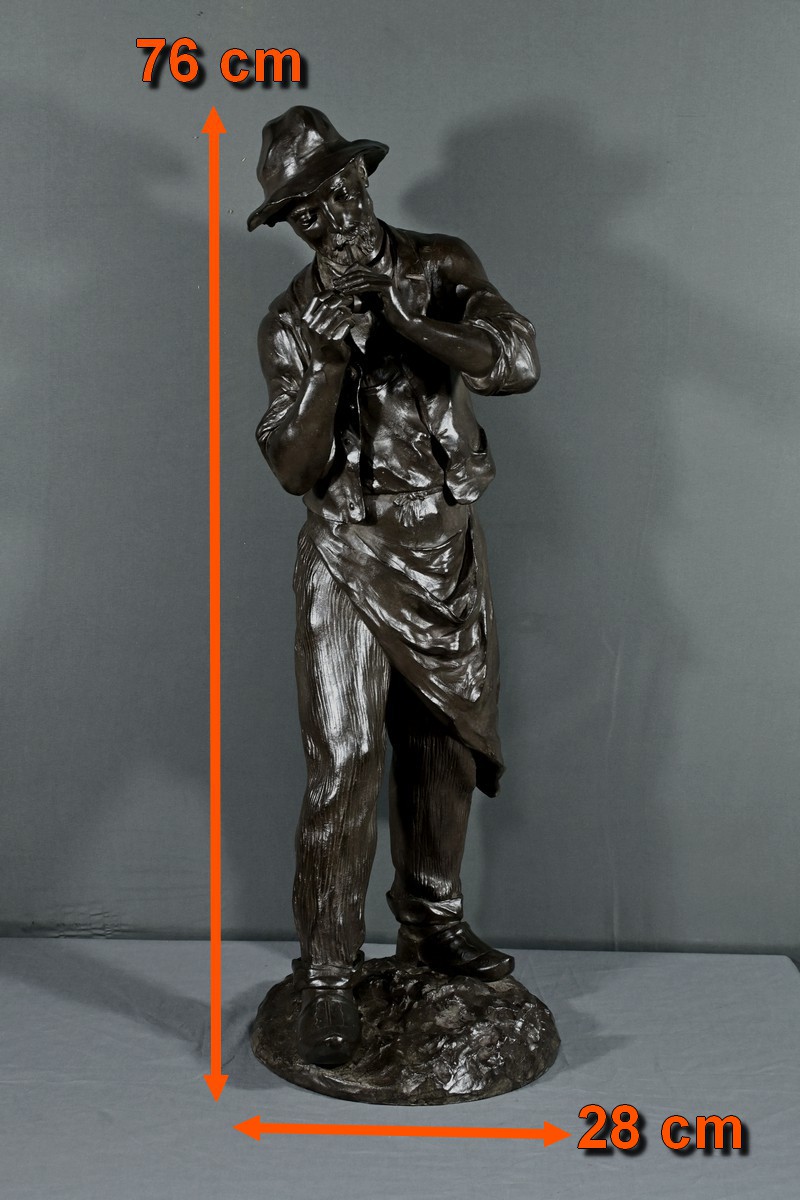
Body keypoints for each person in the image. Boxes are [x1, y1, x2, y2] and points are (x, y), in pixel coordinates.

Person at [248, 107, 539, 1067]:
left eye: (340, 189)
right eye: (306, 210)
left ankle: (432, 920)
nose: (333, 216)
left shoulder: (440, 264)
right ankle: (329, 974)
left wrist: (411, 323)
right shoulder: (290, 322)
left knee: (444, 747)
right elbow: (293, 466)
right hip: (346, 553)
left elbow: (516, 360)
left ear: (363, 179)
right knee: (344, 762)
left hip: (441, 545)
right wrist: (329, 362)